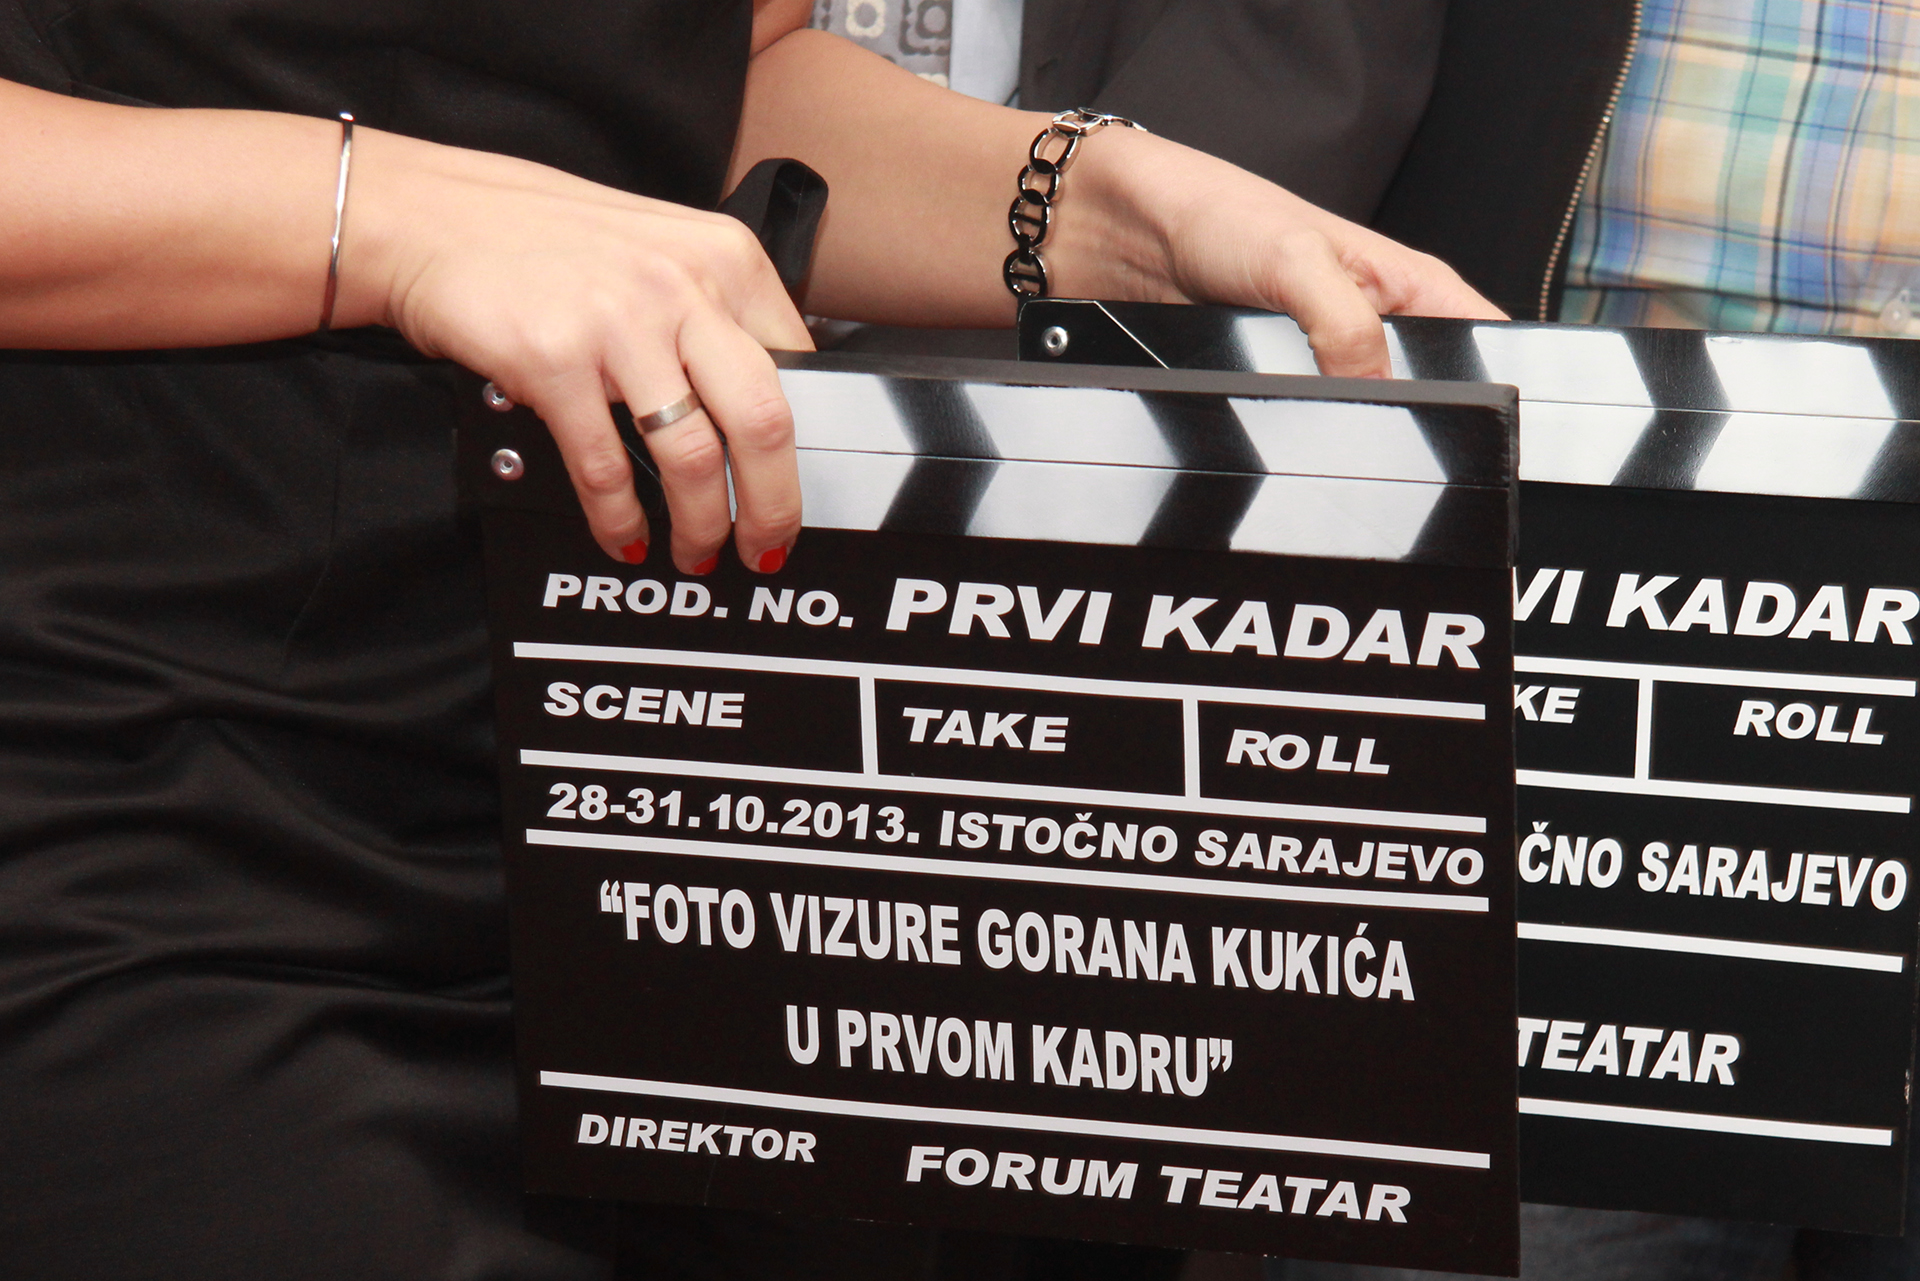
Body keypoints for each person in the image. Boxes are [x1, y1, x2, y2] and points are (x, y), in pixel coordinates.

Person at [0, 1, 1500, 1278]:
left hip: (653, 797)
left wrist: (1115, 208)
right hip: (120, 769)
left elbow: (713, 83)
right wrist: (390, 212)